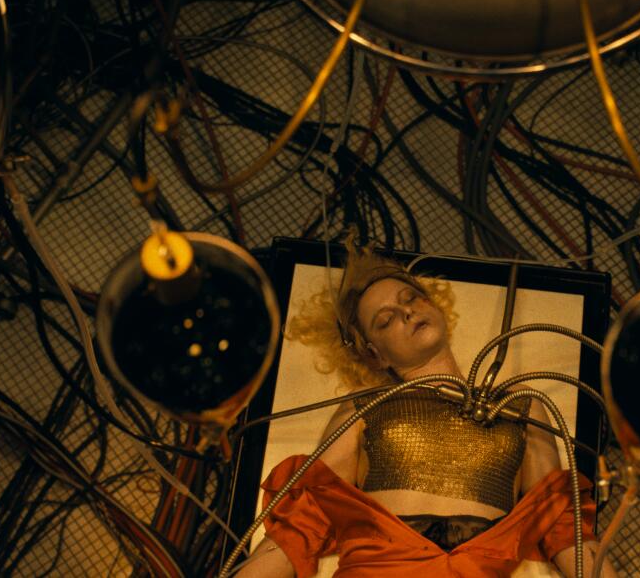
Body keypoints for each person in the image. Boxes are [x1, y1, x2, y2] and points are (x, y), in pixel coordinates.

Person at [233, 238, 612, 577]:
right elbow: (302, 523)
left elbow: (563, 527)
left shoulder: (518, 402)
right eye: (386, 320)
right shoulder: (365, 406)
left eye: (411, 299)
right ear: (375, 354)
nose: (407, 313)